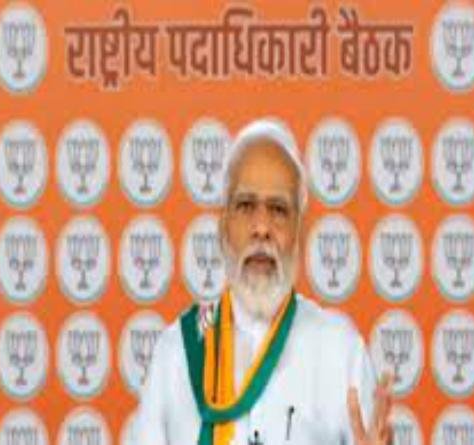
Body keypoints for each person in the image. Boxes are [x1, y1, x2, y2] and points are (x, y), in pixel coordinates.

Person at [130, 118, 393, 445]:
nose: (262, 228)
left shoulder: (341, 352)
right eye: (246, 206)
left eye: (278, 209)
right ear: (223, 226)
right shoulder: (177, 353)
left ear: (299, 231)